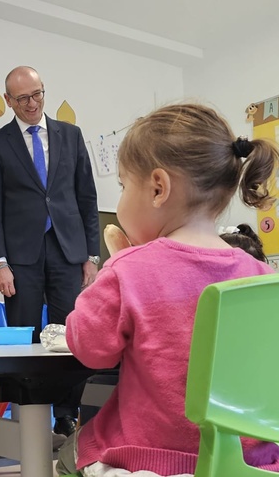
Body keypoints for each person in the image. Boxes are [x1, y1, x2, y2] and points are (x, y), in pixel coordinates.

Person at [57, 103, 279, 476]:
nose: (123, 198)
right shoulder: (260, 275)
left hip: (151, 459)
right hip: (251, 463)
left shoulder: (129, 269)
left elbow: (89, 348)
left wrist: (110, 271)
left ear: (158, 188)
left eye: (125, 186)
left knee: (68, 454)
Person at [0, 65, 99, 436]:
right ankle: (27, 414)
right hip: (20, 257)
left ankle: (66, 415)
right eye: (23, 98)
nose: (32, 104)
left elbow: (86, 197)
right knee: (25, 334)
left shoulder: (71, 135)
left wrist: (91, 256)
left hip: (67, 250)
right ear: (9, 101)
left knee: (69, 335)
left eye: (37, 94)